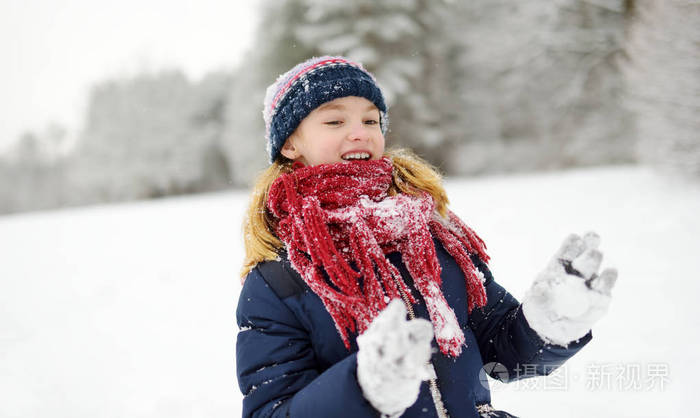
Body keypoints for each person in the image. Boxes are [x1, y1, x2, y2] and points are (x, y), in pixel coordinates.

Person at [235, 56, 617, 418]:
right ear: (290, 144)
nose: (359, 133)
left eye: (371, 121)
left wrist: (546, 325)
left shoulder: (432, 237)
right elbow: (272, 409)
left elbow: (500, 354)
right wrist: (363, 387)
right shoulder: (277, 281)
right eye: (334, 122)